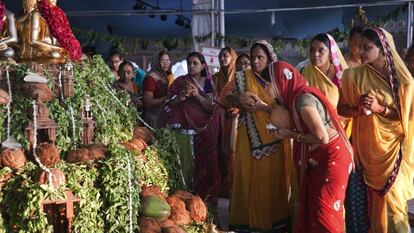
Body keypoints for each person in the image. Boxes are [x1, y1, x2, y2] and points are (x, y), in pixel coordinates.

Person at [338, 28, 414, 233]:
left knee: (394, 206)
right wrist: (359, 109)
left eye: (367, 47)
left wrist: (380, 109)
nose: (360, 51)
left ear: (383, 49)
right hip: (366, 149)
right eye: (358, 47)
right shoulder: (352, 76)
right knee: (370, 208)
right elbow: (341, 108)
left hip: (394, 151)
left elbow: (407, 115)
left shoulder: (403, 80)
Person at [268, 60, 353, 233]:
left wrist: (290, 135)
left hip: (331, 158)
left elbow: (321, 137)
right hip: (320, 157)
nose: (269, 88)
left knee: (325, 212)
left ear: (282, 82)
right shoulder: (294, 99)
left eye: (272, 82)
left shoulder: (302, 100)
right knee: (314, 210)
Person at [223, 40, 291, 232]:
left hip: (273, 136)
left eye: (260, 57)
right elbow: (227, 99)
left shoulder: (278, 80)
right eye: (253, 57)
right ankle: (247, 223)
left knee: (271, 180)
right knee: (246, 176)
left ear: (269, 59)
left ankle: (274, 222)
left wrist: (262, 106)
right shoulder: (241, 78)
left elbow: (286, 110)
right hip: (248, 135)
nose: (255, 61)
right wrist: (238, 100)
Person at [166, 52, 221, 205]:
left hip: (206, 132)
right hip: (185, 132)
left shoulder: (208, 82)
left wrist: (197, 95)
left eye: (195, 63)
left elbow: (211, 107)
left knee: (206, 168)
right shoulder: (181, 82)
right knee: (187, 168)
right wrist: (181, 98)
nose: (191, 66)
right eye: (189, 63)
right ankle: (185, 200)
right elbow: (168, 103)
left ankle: (204, 203)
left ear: (203, 65)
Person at [302, 33, 351, 136]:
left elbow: (347, 107)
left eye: (321, 50)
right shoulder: (303, 73)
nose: (315, 54)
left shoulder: (341, 75)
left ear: (330, 53)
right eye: (312, 50)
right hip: (311, 131)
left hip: (337, 131)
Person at [142, 50, 173, 128]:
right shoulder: (150, 78)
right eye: (163, 60)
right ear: (156, 61)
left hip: (162, 114)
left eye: (167, 60)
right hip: (153, 117)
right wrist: (165, 99)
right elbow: (147, 102)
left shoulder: (164, 76)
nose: (165, 63)